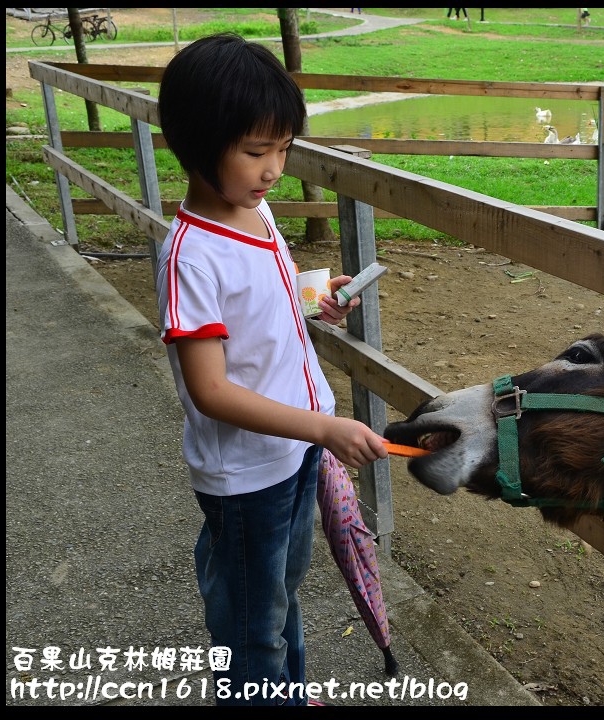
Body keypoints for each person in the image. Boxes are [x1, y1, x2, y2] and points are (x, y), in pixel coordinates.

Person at [155, 33, 388, 707]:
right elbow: (211, 388)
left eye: (283, 149)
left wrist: (318, 297)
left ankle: (288, 694)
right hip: (247, 476)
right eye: (258, 151)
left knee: (281, 595)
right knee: (252, 622)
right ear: (199, 144)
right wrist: (323, 426)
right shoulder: (191, 257)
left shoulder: (254, 213)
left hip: (292, 456)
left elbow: (264, 300)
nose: (275, 168)